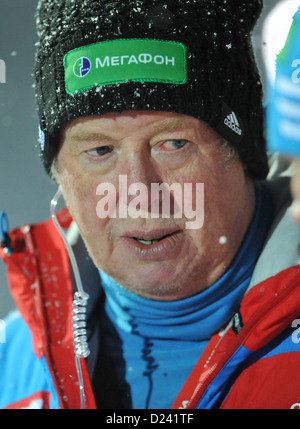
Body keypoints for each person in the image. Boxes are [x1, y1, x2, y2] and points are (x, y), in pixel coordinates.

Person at [0, 0, 300, 410]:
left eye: (173, 144)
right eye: (101, 150)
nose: (139, 191)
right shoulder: (9, 366)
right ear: (60, 174)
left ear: (241, 151)